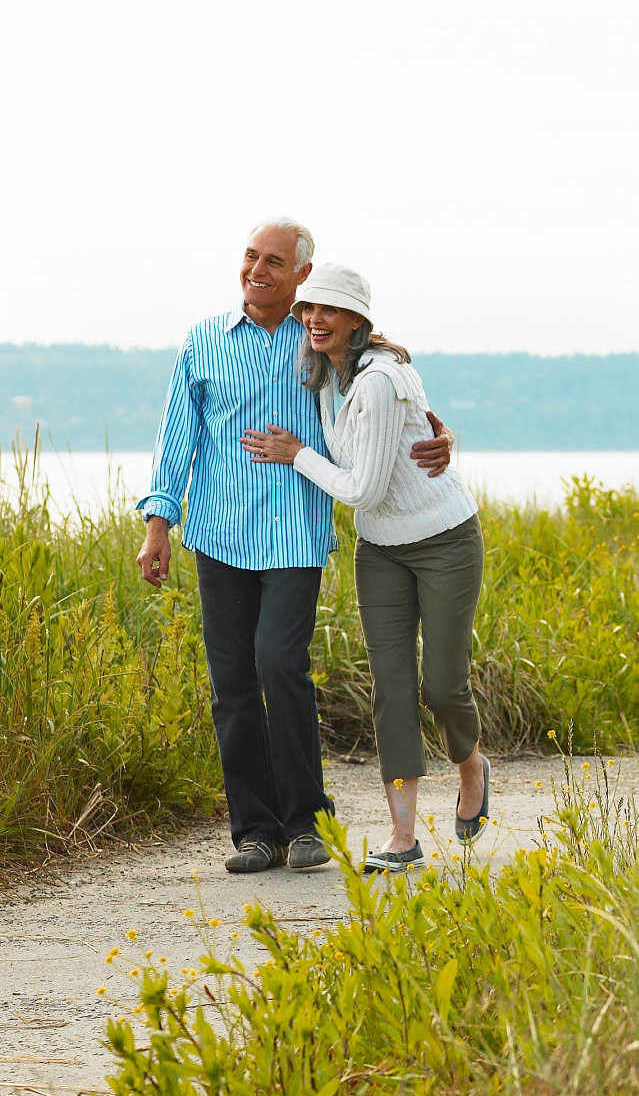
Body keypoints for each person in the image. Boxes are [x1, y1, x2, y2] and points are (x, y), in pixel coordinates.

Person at [136, 219, 453, 875]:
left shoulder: (321, 343)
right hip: (220, 534)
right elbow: (176, 436)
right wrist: (158, 523)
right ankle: (256, 832)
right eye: (251, 256)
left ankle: (308, 821)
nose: (257, 270)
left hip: (294, 535)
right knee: (232, 683)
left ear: (302, 275)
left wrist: (438, 435)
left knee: (280, 664)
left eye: (274, 261)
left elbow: (387, 391)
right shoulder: (203, 340)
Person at [243, 265, 489, 872]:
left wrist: (297, 455)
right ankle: (403, 838)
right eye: (309, 309)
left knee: (442, 686)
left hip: (444, 541)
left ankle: (471, 766)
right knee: (391, 690)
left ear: (357, 320)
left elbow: (364, 490)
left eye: (329, 310)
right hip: (379, 550)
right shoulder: (324, 373)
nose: (314, 319)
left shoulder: (380, 380)